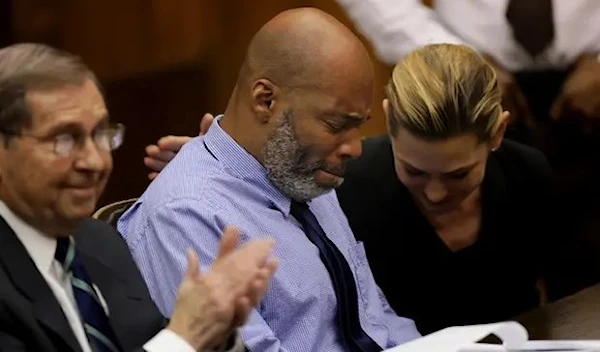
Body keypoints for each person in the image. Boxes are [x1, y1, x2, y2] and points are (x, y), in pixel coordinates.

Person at [143, 43, 599, 335]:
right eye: (336, 125)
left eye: (459, 174)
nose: (436, 194)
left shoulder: (314, 180)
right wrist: (215, 167)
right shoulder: (332, 184)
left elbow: (375, 320)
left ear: (497, 137)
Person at [118, 7, 421, 352]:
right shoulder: (184, 215)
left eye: (359, 125)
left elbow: (374, 317)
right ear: (265, 101)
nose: (355, 148)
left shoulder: (303, 171)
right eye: (336, 125)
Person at [0, 43, 278, 352]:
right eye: (65, 139)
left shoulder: (101, 243)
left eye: (100, 135)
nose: (95, 162)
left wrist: (217, 332)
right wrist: (184, 338)